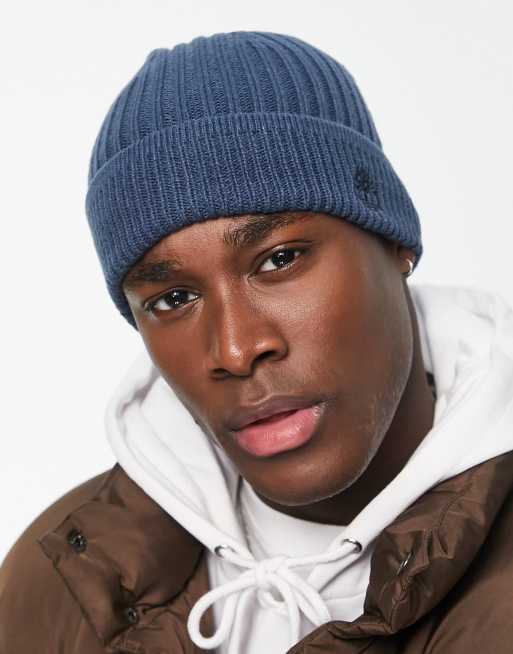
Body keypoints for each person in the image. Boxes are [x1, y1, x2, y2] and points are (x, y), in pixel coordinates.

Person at [1, 30, 513, 654]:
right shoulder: (60, 584)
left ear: (396, 241)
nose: (237, 350)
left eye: (279, 259)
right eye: (173, 299)